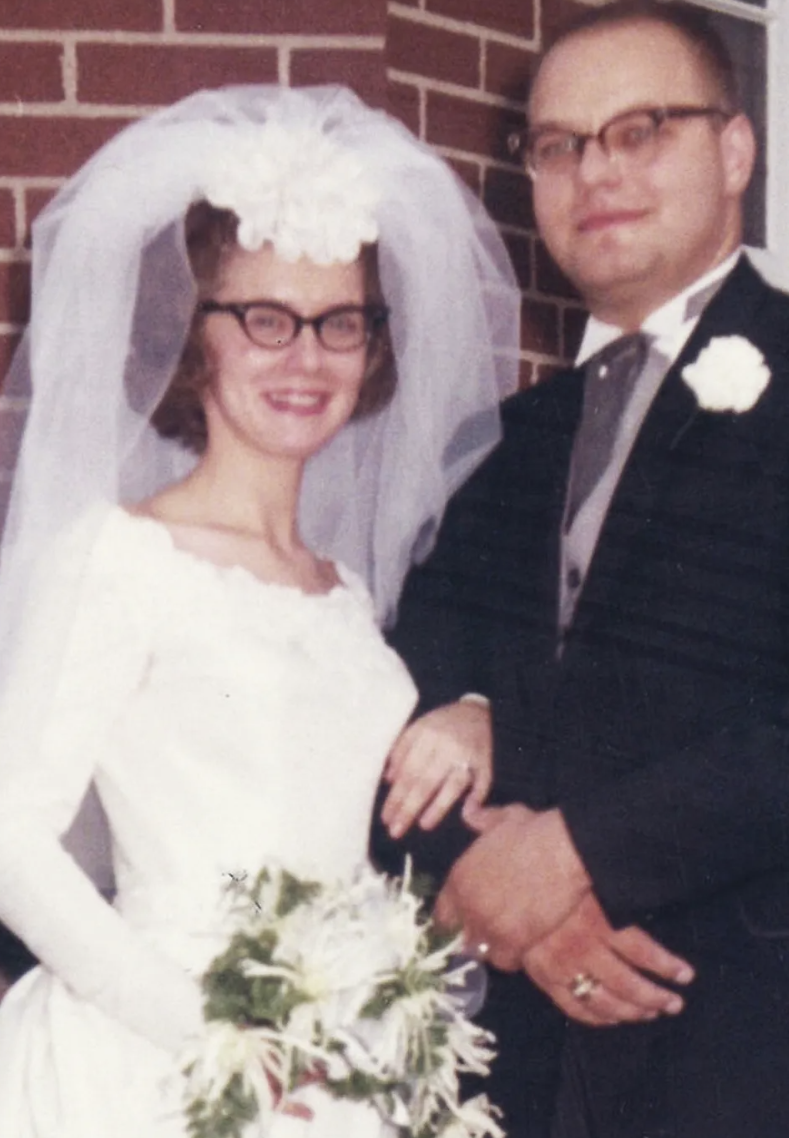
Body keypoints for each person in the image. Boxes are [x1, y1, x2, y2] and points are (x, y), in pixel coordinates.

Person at [385, 3, 789, 1136]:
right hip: (526, 1064)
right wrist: (507, 894)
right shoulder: (503, 446)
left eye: (640, 130)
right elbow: (394, 704)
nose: (596, 172)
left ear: (735, 150)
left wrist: (575, 855)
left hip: (782, 1055)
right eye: (559, 145)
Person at [0, 84, 518, 1137]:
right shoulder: (121, 553)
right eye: (266, 320)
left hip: (348, 1056)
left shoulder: (348, 590)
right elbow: (9, 839)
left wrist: (473, 711)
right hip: (164, 1056)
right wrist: (206, 1030)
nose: (306, 358)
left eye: (339, 324)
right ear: (197, 338)